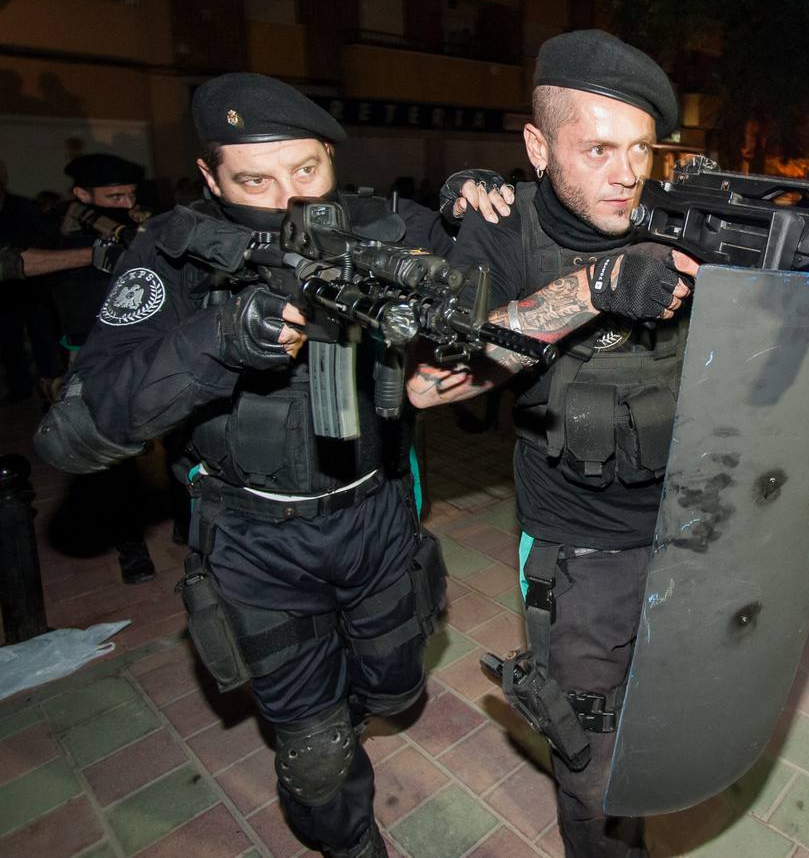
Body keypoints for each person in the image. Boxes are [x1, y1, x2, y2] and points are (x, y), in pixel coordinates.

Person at [34, 72, 511, 858]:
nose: (289, 199)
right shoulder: (175, 253)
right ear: (209, 176)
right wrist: (216, 340)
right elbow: (69, 436)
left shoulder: (380, 225)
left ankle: (345, 707)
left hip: (376, 511)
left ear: (330, 156)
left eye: (306, 170)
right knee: (315, 749)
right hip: (253, 539)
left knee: (396, 683)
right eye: (254, 180)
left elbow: (499, 278)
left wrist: (474, 202)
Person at [407, 29, 699, 857]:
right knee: (592, 761)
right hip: (582, 545)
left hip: (694, 524)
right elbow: (429, 382)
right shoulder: (505, 230)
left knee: (667, 721)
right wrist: (594, 288)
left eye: (641, 149)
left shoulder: (680, 220)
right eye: (598, 148)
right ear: (538, 147)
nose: (627, 173)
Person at [47, 153, 157, 583]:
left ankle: (188, 529)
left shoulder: (140, 221)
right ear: (81, 194)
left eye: (130, 194)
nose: (126, 203)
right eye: (114, 197)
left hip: (148, 345)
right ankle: (131, 547)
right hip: (94, 353)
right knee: (111, 453)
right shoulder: (60, 229)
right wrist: (92, 255)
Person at [0, 158, 67, 402]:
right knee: (10, 340)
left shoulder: (24, 208)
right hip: (5, 289)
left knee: (43, 337)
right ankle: (20, 388)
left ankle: (52, 388)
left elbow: (43, 241)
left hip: (32, 286)